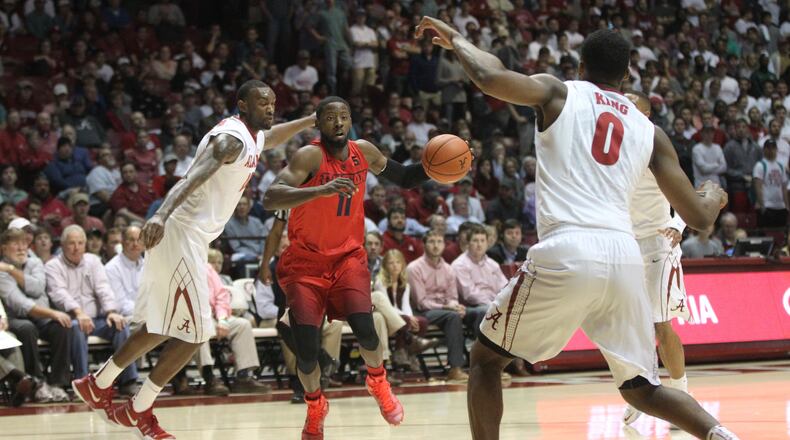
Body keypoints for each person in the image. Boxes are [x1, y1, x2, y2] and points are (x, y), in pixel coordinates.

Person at [414, 18, 736, 440]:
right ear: (626, 76)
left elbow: (490, 76)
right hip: (625, 259)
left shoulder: (559, 91)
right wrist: (713, 190)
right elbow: (699, 216)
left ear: (581, 65)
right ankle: (718, 433)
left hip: (569, 248)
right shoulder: (650, 131)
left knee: (487, 361)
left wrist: (457, 40)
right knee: (643, 389)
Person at [70, 80, 316, 439]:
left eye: (272, 102)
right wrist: (159, 215)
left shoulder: (253, 134)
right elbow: (191, 177)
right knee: (196, 332)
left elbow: (272, 136)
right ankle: (139, 408)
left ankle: (99, 383)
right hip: (180, 231)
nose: (269, 108)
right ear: (242, 105)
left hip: (190, 238)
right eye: (262, 103)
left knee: (161, 323)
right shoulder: (230, 139)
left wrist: (309, 119)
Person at [263, 96, 443, 439]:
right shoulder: (309, 156)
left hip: (348, 258)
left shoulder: (365, 152)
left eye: (343, 116)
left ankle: (378, 382)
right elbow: (271, 196)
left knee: (366, 329)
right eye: (330, 117)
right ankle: (315, 407)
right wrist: (320, 190)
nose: (338, 123)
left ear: (351, 120)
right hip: (306, 263)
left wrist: (440, 166)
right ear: (319, 122)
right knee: (307, 353)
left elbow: (404, 176)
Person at [621, 91, 694, 426]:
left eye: (630, 108)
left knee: (661, 324)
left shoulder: (657, 147)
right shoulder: (612, 149)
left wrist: (678, 224)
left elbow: (685, 192)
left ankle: (681, 396)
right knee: (631, 326)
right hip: (624, 244)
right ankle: (642, 391)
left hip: (657, 243)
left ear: (646, 115)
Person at [407, 229, 469, 383]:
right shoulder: (414, 268)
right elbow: (421, 302)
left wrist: (456, 306)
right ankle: (455, 368)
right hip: (422, 313)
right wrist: (448, 308)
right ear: (424, 244)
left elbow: (452, 297)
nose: (436, 246)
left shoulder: (448, 269)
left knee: (463, 313)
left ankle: (482, 365)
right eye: (432, 242)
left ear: (444, 245)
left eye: (439, 242)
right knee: (452, 317)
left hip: (445, 312)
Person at [104, 226, 144, 323]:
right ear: (122, 242)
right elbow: (120, 305)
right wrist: (147, 312)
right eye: (131, 240)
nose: (135, 244)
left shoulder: (149, 266)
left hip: (147, 316)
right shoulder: (111, 268)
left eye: (139, 240)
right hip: (127, 318)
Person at [752, 140, 788, 227]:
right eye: (768, 148)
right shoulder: (760, 165)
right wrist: (762, 205)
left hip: (780, 206)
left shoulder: (781, 166)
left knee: (780, 234)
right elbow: (758, 186)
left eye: (773, 148)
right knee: (766, 234)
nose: (771, 150)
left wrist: (786, 205)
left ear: (776, 150)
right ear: (764, 149)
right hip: (767, 206)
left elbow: (784, 187)